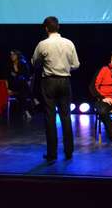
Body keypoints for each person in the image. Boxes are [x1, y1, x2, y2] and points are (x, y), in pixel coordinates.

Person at [32, 16, 80, 162]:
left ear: (46, 28)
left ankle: (52, 153)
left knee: (50, 118)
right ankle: (69, 151)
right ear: (58, 27)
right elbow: (76, 65)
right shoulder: (69, 43)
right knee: (66, 116)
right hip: (65, 81)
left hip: (49, 82)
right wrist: (65, 68)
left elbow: (35, 62)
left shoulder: (43, 44)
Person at [6, 49, 33, 120]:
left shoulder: (22, 63)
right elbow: (9, 78)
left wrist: (17, 72)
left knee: (22, 90)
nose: (12, 56)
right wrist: (8, 88)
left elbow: (26, 76)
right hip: (13, 86)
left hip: (21, 86)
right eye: (11, 55)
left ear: (17, 55)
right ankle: (33, 98)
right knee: (23, 88)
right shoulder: (9, 65)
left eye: (13, 54)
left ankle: (26, 111)